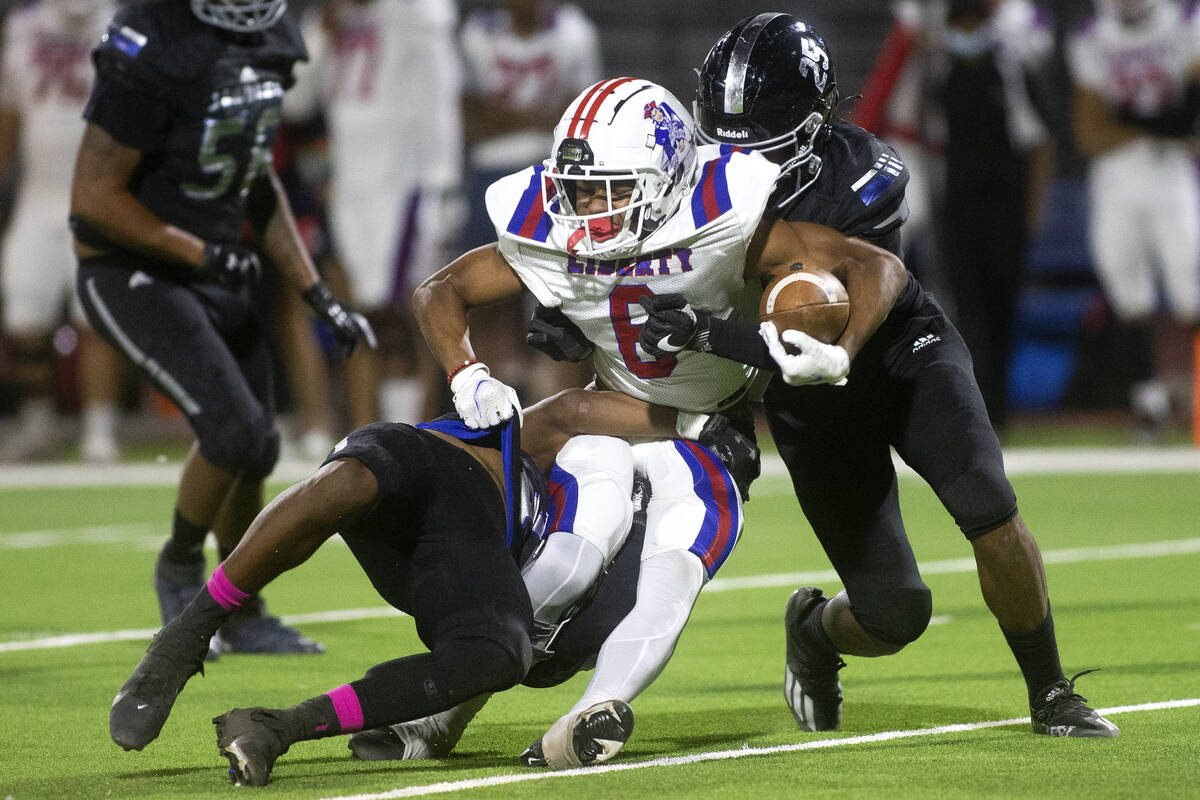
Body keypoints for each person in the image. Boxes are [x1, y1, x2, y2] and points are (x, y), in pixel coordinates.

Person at [624, 12, 1117, 737]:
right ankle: (816, 632)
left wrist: (826, 349)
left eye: (759, 138)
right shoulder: (686, 186)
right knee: (894, 615)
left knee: (988, 503)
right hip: (807, 398)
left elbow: (863, 287)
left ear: (813, 116)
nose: (739, 160)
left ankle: (1051, 692)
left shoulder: (862, 171)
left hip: (895, 351)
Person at [409, 75, 908, 765]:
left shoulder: (724, 211)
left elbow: (871, 264)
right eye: (578, 189)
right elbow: (443, 290)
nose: (586, 209)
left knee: (673, 571)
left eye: (610, 188)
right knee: (570, 555)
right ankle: (433, 717)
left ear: (669, 177)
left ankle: (593, 713)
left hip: (706, 436)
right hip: (615, 420)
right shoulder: (553, 225)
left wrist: (839, 348)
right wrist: (466, 373)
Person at [107, 397, 757, 785]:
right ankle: (185, 636)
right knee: (345, 486)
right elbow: (569, 411)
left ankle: (278, 726)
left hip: (442, 558)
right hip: (447, 467)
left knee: (495, 655)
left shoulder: (571, 599)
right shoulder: (590, 469)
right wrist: (690, 421)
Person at [70, 0, 375, 654]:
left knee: (259, 447)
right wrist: (198, 252)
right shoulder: (154, 36)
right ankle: (180, 568)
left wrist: (315, 292)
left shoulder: (271, 35)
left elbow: (252, 169)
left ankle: (239, 606)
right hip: (133, 269)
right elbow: (93, 195)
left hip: (213, 268)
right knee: (233, 432)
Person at [282, 0, 462, 427]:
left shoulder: (417, 11)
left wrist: (443, 183)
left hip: (404, 183)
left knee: (403, 313)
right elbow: (294, 102)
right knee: (361, 313)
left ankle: (413, 432)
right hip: (350, 187)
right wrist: (322, 34)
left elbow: (441, 96)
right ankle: (373, 427)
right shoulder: (329, 17)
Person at [1067, 0, 1200, 439]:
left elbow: (1192, 123)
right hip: (1118, 176)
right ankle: (1150, 407)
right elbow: (1090, 132)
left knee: (1190, 281)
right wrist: (1160, 124)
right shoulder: (1092, 37)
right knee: (1127, 288)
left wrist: (1130, 118)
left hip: (1171, 170)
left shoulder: (1183, 22)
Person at [457, 0, 602, 401]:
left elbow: (578, 120)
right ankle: (489, 394)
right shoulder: (478, 33)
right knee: (485, 295)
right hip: (490, 170)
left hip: (553, 172)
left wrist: (507, 116)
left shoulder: (575, 32)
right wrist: (539, 117)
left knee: (562, 295)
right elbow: (471, 117)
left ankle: (556, 401)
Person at [0, 0, 125, 464]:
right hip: (38, 194)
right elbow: (9, 112)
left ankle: (99, 426)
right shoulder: (23, 27)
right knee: (23, 319)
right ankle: (39, 421)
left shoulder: (122, 24)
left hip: (100, 195)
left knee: (94, 318)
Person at [932, 0, 1055, 432]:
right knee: (966, 313)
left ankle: (998, 414)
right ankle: (972, 410)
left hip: (1005, 209)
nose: (966, 33)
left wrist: (1033, 212)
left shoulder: (1011, 72)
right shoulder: (939, 75)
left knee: (1003, 313)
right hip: (959, 211)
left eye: (973, 23)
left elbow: (1039, 142)